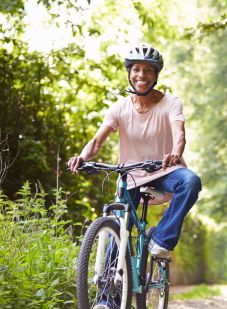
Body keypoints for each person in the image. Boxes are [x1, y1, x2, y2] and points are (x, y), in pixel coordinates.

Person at [67, 44, 201, 260]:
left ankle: (160, 240)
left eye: (148, 70)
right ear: (129, 74)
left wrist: (175, 153)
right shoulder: (119, 108)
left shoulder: (171, 103)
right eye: (137, 69)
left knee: (191, 181)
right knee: (117, 231)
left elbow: (180, 135)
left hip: (166, 171)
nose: (142, 75)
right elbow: (96, 142)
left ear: (156, 75)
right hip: (130, 176)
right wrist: (82, 157)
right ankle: (108, 292)